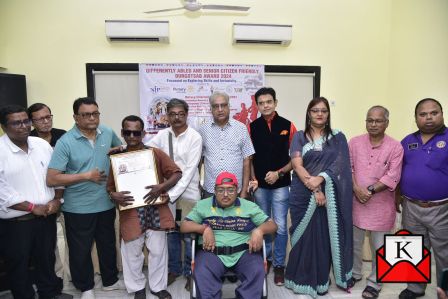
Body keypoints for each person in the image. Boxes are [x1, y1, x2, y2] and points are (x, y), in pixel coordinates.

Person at [46, 97, 123, 299]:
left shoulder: (106, 132)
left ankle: (110, 281)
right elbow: (52, 178)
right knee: (80, 251)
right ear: (76, 118)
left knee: (107, 245)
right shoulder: (66, 142)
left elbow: (121, 151)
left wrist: (118, 154)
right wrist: (85, 176)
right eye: (86, 114)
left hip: (106, 203)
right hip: (77, 208)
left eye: (95, 113)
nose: (92, 118)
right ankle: (86, 287)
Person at [0, 105, 72, 299]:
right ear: (4, 126)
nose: (23, 126)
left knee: (47, 261)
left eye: (26, 121)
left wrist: (57, 200)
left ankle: (49, 294)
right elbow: (2, 193)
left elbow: (57, 174)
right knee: (19, 266)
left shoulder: (41, 145)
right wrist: (33, 208)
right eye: (16, 122)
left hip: (46, 218)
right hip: (16, 224)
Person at [285, 97, 354, 298]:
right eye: (315, 110)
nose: (319, 114)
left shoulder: (337, 136)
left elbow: (341, 163)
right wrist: (315, 189)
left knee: (323, 237)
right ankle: (298, 278)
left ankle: (320, 279)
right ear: (309, 113)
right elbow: (297, 165)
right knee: (302, 236)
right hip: (303, 193)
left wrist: (322, 178)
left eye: (323, 110)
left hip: (330, 196)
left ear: (328, 113)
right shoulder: (299, 136)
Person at [107, 115, 182, 299]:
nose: (132, 136)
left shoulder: (154, 153)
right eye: (128, 132)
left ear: (143, 133)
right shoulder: (117, 158)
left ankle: (157, 287)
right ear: (122, 133)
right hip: (131, 211)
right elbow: (110, 187)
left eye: (136, 132)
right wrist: (112, 194)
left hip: (155, 209)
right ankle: (137, 287)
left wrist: (162, 187)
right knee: (132, 253)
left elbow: (176, 173)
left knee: (157, 251)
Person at [180, 171, 277, 299]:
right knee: (202, 271)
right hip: (211, 252)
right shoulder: (203, 205)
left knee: (257, 270)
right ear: (214, 191)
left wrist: (259, 231)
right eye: (220, 190)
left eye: (230, 190)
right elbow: (184, 226)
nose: (225, 195)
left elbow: (273, 226)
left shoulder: (249, 206)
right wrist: (204, 229)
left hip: (244, 252)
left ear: (237, 190)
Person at [349, 106, 404, 299]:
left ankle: (375, 281)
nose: (373, 124)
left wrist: (369, 190)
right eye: (369, 120)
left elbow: (393, 176)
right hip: (356, 202)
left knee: (380, 247)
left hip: (381, 206)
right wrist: (356, 189)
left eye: (378, 121)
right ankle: (355, 273)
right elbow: (350, 168)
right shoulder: (354, 142)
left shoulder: (396, 147)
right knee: (354, 243)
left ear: (386, 123)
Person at [147, 99, 202, 290]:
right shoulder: (162, 135)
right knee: (171, 234)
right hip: (167, 194)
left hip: (188, 194)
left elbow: (188, 172)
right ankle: (173, 270)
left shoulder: (195, 137)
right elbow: (146, 151)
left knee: (189, 235)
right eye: (172, 114)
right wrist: (122, 151)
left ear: (186, 114)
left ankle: (190, 272)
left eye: (180, 114)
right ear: (167, 116)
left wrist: (170, 194)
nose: (177, 118)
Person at [397, 98, 448, 299]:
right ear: (416, 118)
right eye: (423, 114)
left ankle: (444, 291)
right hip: (411, 206)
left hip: (441, 208)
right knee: (413, 248)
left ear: (442, 114)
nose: (428, 118)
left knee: (444, 254)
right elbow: (398, 171)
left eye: (433, 113)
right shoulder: (407, 140)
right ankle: (415, 288)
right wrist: (396, 198)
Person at [248, 87, 297, 285]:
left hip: (281, 185)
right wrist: (253, 179)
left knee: (281, 227)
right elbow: (249, 158)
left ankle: (279, 266)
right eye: (261, 103)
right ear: (257, 105)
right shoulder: (252, 127)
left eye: (269, 101)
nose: (265, 105)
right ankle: (263, 261)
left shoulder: (288, 125)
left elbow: (296, 158)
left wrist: (279, 173)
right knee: (263, 225)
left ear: (275, 103)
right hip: (260, 187)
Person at [28, 102, 67, 279]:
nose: (46, 121)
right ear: (31, 122)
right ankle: (55, 276)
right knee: (48, 243)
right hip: (42, 200)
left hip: (66, 195)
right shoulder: (26, 140)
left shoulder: (63, 136)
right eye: (40, 119)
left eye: (48, 117)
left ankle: (71, 275)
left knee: (70, 240)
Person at [199, 91, 255, 199]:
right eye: (216, 106)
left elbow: (247, 160)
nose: (220, 109)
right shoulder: (203, 130)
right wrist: (198, 185)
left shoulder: (241, 128)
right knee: (211, 216)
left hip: (236, 190)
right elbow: (198, 160)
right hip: (211, 190)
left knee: (236, 216)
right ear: (211, 109)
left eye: (223, 105)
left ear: (229, 107)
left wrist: (244, 190)